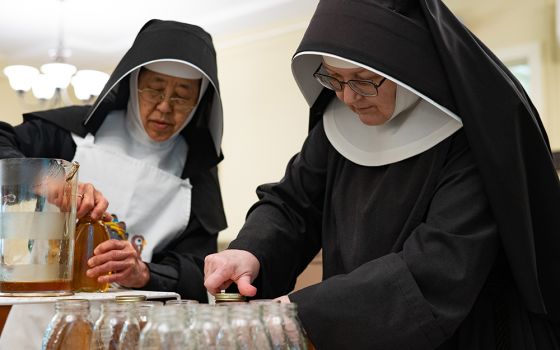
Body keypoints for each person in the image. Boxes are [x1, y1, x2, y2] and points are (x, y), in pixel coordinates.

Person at [204, 0, 560, 348]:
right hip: (353, 327)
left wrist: (304, 314)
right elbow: (293, 204)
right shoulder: (335, 126)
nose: (347, 97)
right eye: (334, 78)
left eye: (362, 79)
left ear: (409, 67)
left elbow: (439, 269)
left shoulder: (474, 141)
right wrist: (250, 251)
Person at [0, 19, 226, 349]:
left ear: (200, 102)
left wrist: (144, 272)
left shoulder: (197, 172)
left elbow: (199, 269)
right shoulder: (70, 131)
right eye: (154, 89)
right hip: (40, 322)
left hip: (130, 329)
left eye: (181, 96)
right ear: (133, 83)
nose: (164, 107)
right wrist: (44, 178)